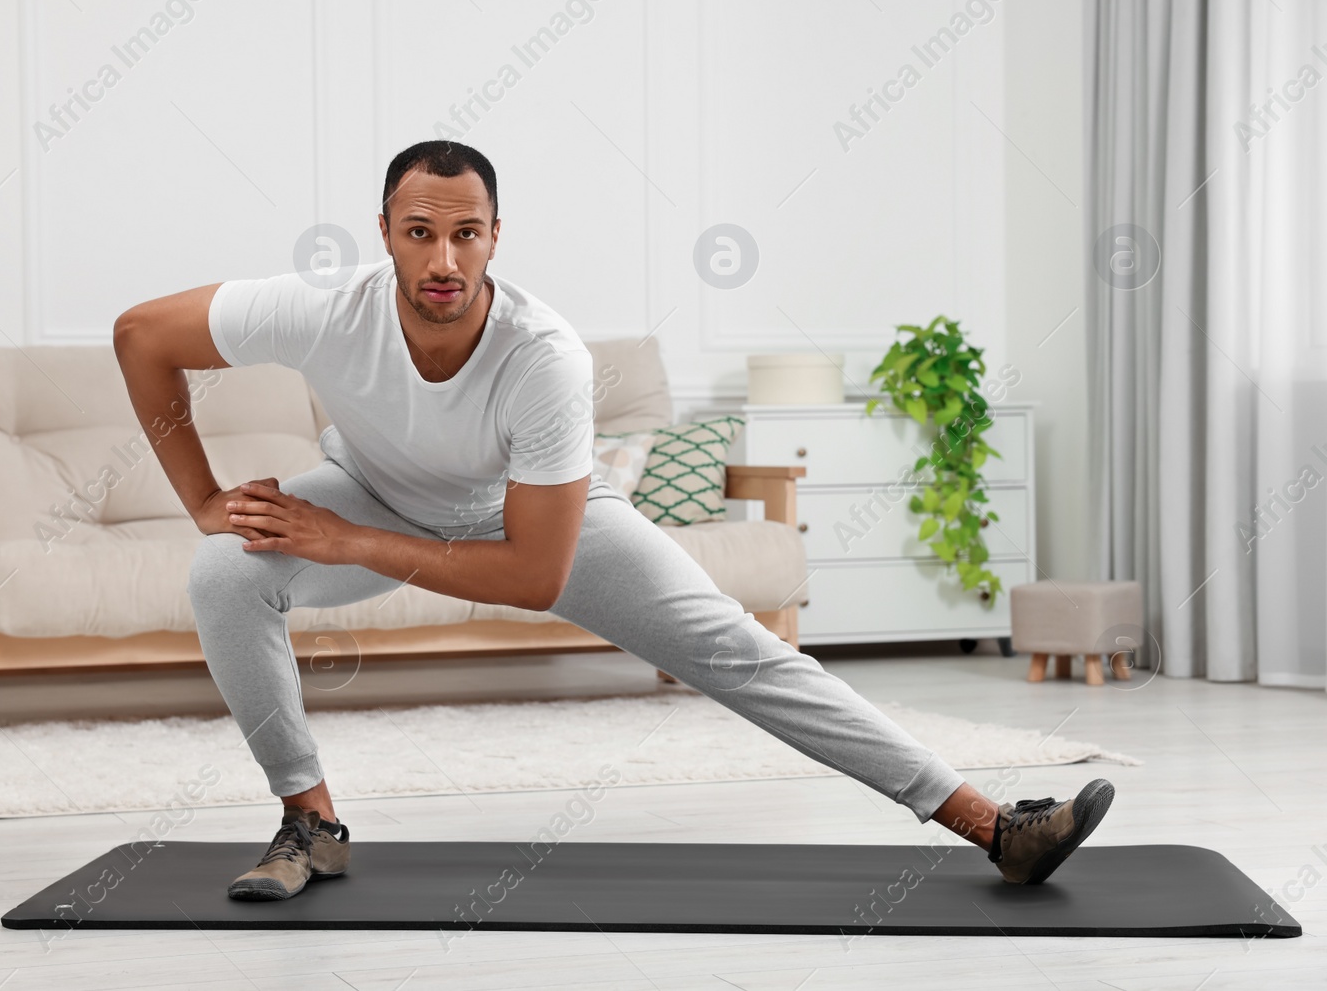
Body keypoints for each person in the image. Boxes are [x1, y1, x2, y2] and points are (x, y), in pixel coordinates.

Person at [112, 140, 1115, 902]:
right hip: (367, 490)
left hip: (545, 523)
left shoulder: (544, 355)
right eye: (420, 231)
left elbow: (531, 577)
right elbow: (142, 335)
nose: (444, 256)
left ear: (496, 235)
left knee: (741, 650)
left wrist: (350, 544)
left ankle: (994, 825)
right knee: (222, 572)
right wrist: (202, 500)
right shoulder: (322, 306)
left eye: (466, 231)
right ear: (384, 233)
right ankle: (309, 820)